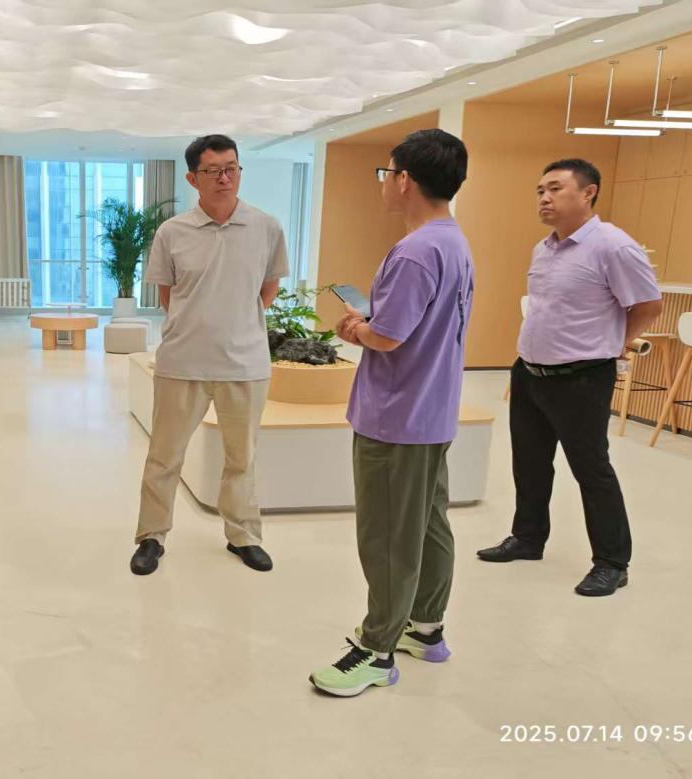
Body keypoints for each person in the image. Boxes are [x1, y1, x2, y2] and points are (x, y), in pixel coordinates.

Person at [308, 129, 474, 698]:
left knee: (386, 535)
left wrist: (355, 326)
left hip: (396, 416)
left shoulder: (415, 251)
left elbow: (388, 337)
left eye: (386, 172)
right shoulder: (453, 241)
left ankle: (377, 650)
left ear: (405, 180)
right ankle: (426, 628)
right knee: (427, 523)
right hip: (432, 410)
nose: (383, 183)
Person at [476, 159, 662, 597]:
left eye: (555, 188)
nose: (544, 198)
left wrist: (616, 342)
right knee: (529, 461)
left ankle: (612, 562)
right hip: (530, 371)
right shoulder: (544, 248)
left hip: (582, 377)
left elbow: (649, 306)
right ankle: (528, 538)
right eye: (540, 190)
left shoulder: (613, 246)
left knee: (590, 469)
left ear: (588, 192)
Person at [129, 134, 289, 576]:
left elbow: (268, 290)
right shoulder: (172, 232)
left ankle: (243, 535)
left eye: (231, 168)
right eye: (213, 170)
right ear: (192, 178)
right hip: (182, 363)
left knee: (242, 458)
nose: (224, 178)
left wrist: (236, 325)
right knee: (164, 457)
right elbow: (169, 296)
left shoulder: (266, 227)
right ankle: (151, 536)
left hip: (246, 365)